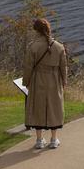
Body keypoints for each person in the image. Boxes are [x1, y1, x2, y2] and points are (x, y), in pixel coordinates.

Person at [22, 17, 68, 149]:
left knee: (38, 107)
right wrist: (64, 81)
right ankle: (54, 139)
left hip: (38, 79)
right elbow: (63, 67)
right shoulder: (59, 47)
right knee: (54, 107)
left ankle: (39, 140)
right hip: (54, 79)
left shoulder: (33, 46)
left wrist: (26, 82)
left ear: (36, 30)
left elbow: (28, 67)